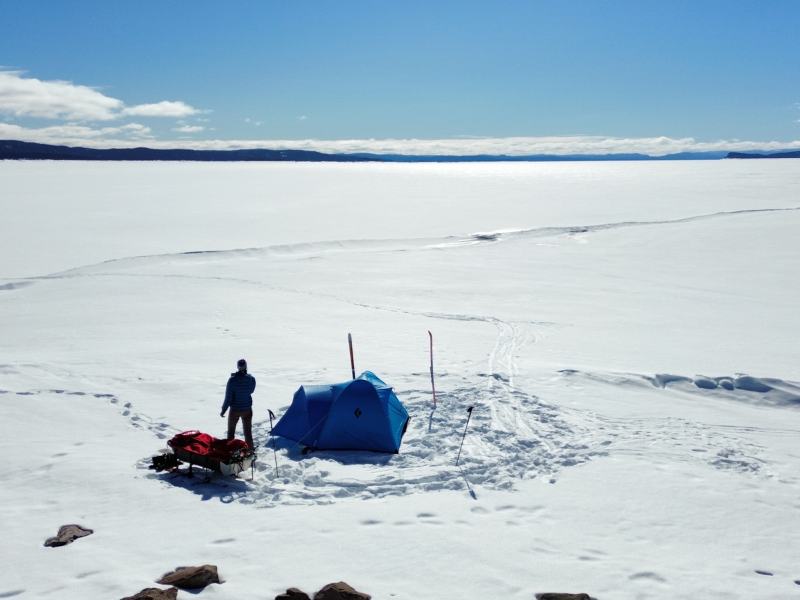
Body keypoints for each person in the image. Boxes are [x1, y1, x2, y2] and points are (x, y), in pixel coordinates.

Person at [220, 358, 256, 450]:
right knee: (248, 432)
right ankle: (250, 452)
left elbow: (228, 397)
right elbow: (251, 390)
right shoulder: (251, 379)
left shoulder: (232, 380)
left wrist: (224, 409)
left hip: (234, 410)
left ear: (238, 367)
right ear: (246, 367)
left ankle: (230, 452)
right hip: (247, 409)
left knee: (231, 431)